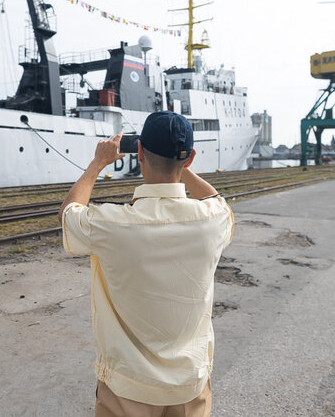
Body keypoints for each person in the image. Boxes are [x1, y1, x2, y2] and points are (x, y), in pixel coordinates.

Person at [60, 111, 234, 416]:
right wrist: (181, 168)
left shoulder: (113, 223)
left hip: (129, 385)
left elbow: (69, 213)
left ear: (138, 152)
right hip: (190, 381)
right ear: (190, 158)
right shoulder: (213, 219)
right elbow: (217, 199)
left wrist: (98, 163)